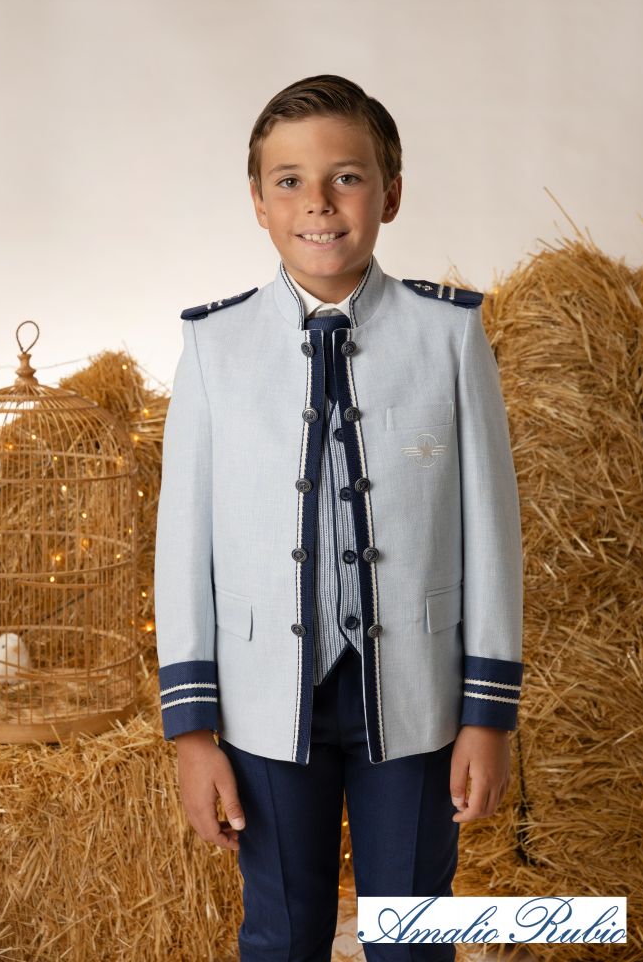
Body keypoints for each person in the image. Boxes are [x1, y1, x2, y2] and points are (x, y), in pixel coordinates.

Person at [154, 73, 525, 962]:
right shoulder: (213, 345)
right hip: (261, 704)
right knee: (282, 933)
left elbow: (491, 534)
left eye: (346, 177)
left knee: (411, 935)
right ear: (258, 202)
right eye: (289, 181)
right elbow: (183, 548)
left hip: (417, 698)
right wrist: (192, 732)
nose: (318, 203)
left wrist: (487, 714)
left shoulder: (448, 335)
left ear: (389, 193)